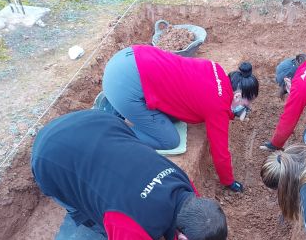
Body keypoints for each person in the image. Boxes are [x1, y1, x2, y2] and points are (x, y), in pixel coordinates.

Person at [32, 110, 242, 240]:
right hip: (49, 157)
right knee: (90, 217)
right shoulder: (133, 228)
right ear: (183, 237)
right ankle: (85, 213)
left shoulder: (182, 184)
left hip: (94, 122)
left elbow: (206, 223)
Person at [95, 45, 260, 193]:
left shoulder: (215, 68)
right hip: (123, 86)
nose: (248, 107)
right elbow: (220, 152)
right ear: (237, 95)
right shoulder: (217, 106)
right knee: (169, 140)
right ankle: (113, 128)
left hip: (128, 57)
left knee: (172, 117)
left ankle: (115, 104)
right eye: (248, 103)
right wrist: (228, 181)